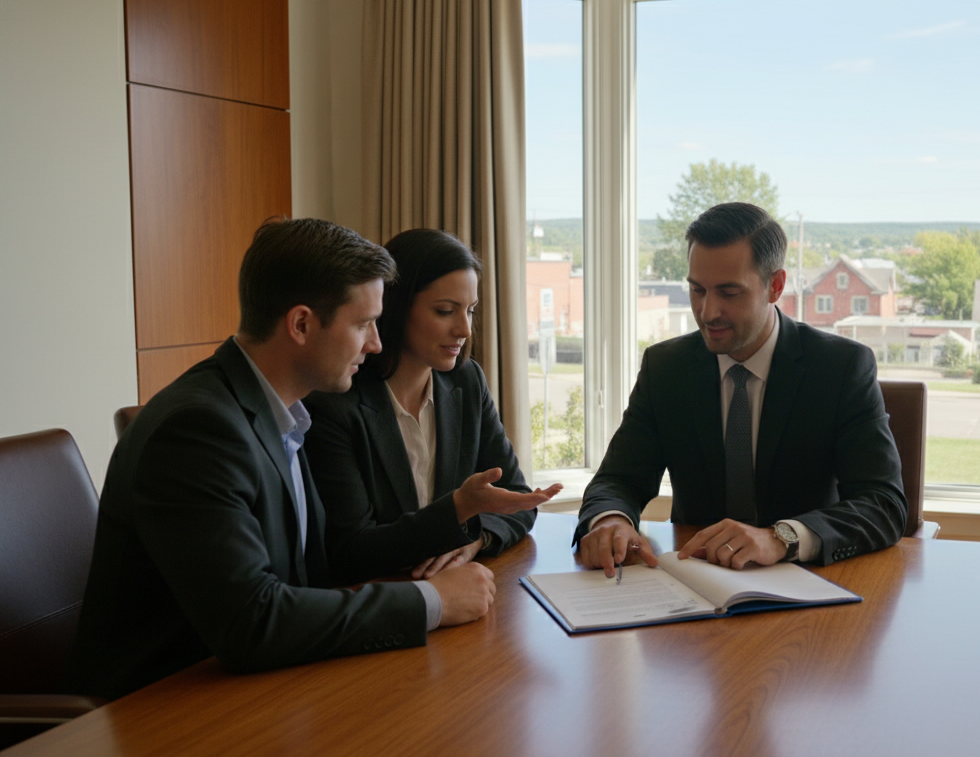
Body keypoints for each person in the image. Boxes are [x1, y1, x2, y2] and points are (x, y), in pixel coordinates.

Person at [68, 219, 527, 701]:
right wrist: (432, 600)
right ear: (302, 324)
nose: (375, 343)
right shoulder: (197, 431)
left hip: (267, 685)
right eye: (364, 324)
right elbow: (252, 623)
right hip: (164, 709)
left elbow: (318, 571)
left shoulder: (285, 415)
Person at [576, 202, 907, 575]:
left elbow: (882, 505)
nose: (708, 311)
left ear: (775, 286)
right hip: (695, 584)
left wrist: (781, 537)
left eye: (729, 293)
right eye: (697, 290)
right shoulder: (666, 368)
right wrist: (609, 521)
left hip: (807, 588)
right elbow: (619, 479)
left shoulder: (840, 369)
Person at [304, 229, 559, 585]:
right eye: (445, 311)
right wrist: (459, 510)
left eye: (470, 311)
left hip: (461, 594)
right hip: (385, 602)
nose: (465, 329)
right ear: (394, 305)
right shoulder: (335, 402)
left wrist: (474, 539)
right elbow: (351, 551)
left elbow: (517, 498)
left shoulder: (465, 381)